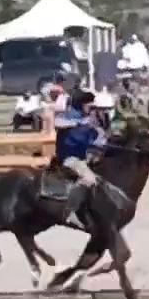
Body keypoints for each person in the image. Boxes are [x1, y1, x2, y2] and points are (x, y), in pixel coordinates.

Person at [52, 92, 128, 227]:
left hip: (83, 158)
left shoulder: (84, 120)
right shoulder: (70, 120)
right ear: (80, 105)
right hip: (70, 158)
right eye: (89, 106)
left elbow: (97, 137)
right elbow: (84, 140)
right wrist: (98, 141)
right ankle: (69, 212)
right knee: (89, 180)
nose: (91, 109)